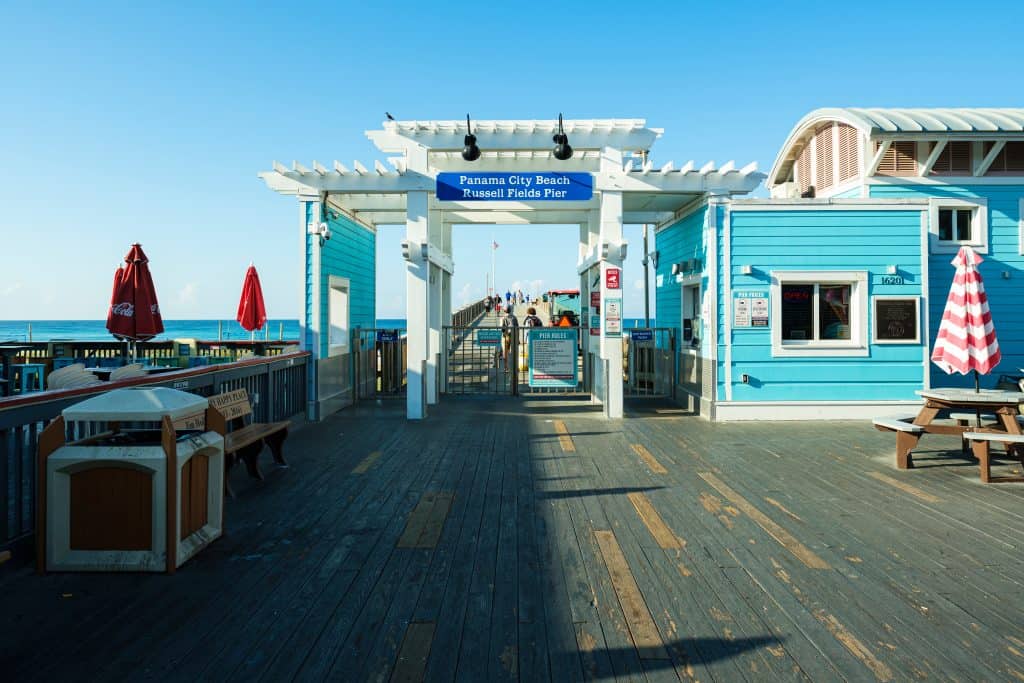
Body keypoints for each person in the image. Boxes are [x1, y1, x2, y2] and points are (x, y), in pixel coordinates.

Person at [501, 307, 519, 371]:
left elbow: (502, 328)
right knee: (513, 352)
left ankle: (506, 367)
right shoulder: (514, 317)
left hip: (505, 336)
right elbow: (517, 327)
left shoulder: (503, 318)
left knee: (505, 352)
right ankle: (515, 367)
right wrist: (518, 338)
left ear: (504, 311)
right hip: (513, 335)